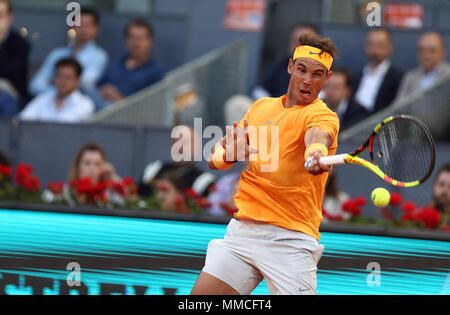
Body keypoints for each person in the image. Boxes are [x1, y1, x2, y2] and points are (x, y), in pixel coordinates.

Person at [191, 34, 340, 295]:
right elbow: (214, 159)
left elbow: (318, 135)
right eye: (302, 70)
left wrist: (316, 151)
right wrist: (228, 154)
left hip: (291, 240)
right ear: (290, 67)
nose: (307, 80)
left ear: (327, 78)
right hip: (243, 232)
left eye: (317, 74)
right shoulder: (260, 108)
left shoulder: (322, 115)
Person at [29, 8, 108, 97]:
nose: (84, 30)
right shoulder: (57, 54)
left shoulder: (99, 56)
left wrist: (53, 82)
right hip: (50, 104)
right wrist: (59, 91)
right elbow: (35, 85)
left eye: (88, 25)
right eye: (79, 25)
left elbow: (83, 84)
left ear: (96, 29)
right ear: (72, 27)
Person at [95, 18, 165, 109]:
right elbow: (97, 90)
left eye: (141, 38)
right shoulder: (114, 67)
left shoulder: (157, 72)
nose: (136, 42)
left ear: (150, 41)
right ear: (126, 40)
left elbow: (155, 107)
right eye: (132, 37)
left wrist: (120, 100)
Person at [252, 22, 319, 100]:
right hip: (276, 107)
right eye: (296, 41)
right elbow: (260, 89)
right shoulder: (281, 66)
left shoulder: (324, 68)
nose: (300, 47)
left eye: (305, 43)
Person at [20, 58, 94, 123]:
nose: (63, 81)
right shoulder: (43, 98)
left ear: (78, 81)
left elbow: (60, 127)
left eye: (68, 78)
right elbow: (22, 121)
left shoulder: (85, 104)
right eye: (59, 76)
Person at [350, 28, 403, 117]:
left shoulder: (398, 79)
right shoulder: (355, 77)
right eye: (370, 44)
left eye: (380, 45)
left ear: (390, 48)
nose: (374, 50)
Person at [396, 32, 450, 100]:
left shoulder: (448, 76)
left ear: (443, 53)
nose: (426, 55)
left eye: (432, 51)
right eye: (421, 50)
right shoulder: (410, 77)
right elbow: (399, 107)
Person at [0, 0, 30, 106]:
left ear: (9, 17)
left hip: (13, 94)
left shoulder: (19, 43)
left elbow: (9, 72)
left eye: (0, 15)